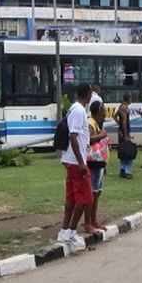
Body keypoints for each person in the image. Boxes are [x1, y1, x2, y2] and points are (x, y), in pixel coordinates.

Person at [57, 83, 93, 248]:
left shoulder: (74, 108)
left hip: (70, 160)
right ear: (88, 94)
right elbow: (73, 136)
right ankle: (71, 232)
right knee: (84, 198)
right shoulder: (79, 111)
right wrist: (81, 163)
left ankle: (64, 231)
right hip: (76, 161)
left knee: (71, 197)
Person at [87, 100, 109, 232]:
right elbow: (88, 139)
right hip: (94, 162)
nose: (105, 113)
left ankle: (93, 219)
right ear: (99, 111)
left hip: (100, 162)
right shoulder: (90, 123)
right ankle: (91, 220)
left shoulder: (97, 123)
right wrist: (101, 135)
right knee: (94, 192)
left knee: (97, 191)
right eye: (104, 110)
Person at [113, 92, 134, 178]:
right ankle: (127, 171)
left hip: (121, 131)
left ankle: (122, 169)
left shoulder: (121, 106)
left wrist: (119, 124)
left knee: (123, 150)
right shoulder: (124, 107)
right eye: (131, 98)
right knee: (128, 151)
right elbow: (124, 121)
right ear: (128, 99)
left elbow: (115, 116)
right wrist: (126, 134)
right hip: (124, 132)